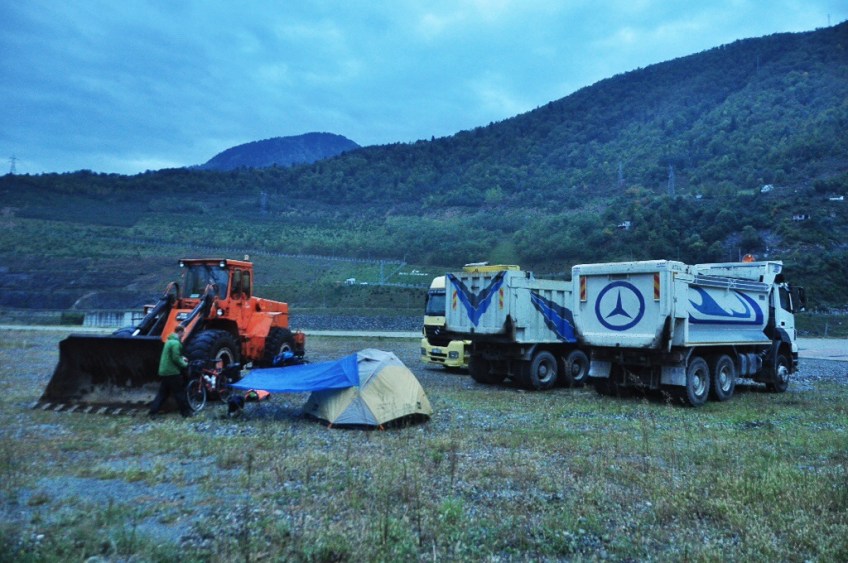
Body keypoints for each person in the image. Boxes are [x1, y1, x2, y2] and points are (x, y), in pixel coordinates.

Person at [148, 325, 193, 418]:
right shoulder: (175, 343)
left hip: (164, 371)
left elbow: (172, 355)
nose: (184, 334)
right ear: (180, 332)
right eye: (183, 332)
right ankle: (186, 413)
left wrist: (181, 357)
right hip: (172, 372)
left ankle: (153, 412)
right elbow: (175, 358)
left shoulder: (169, 341)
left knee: (162, 393)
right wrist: (185, 364)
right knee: (179, 393)